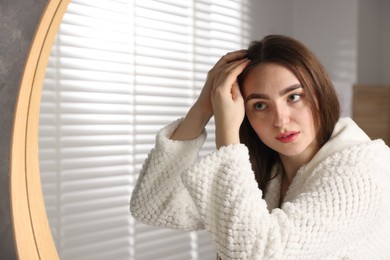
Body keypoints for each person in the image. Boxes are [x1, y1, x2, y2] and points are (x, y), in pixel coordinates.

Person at [130, 35, 390, 259]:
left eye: (294, 97)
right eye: (260, 105)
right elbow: (156, 206)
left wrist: (227, 133)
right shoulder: (266, 173)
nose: (281, 120)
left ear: (320, 93)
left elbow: (258, 254)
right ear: (245, 112)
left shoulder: (363, 172)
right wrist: (202, 109)